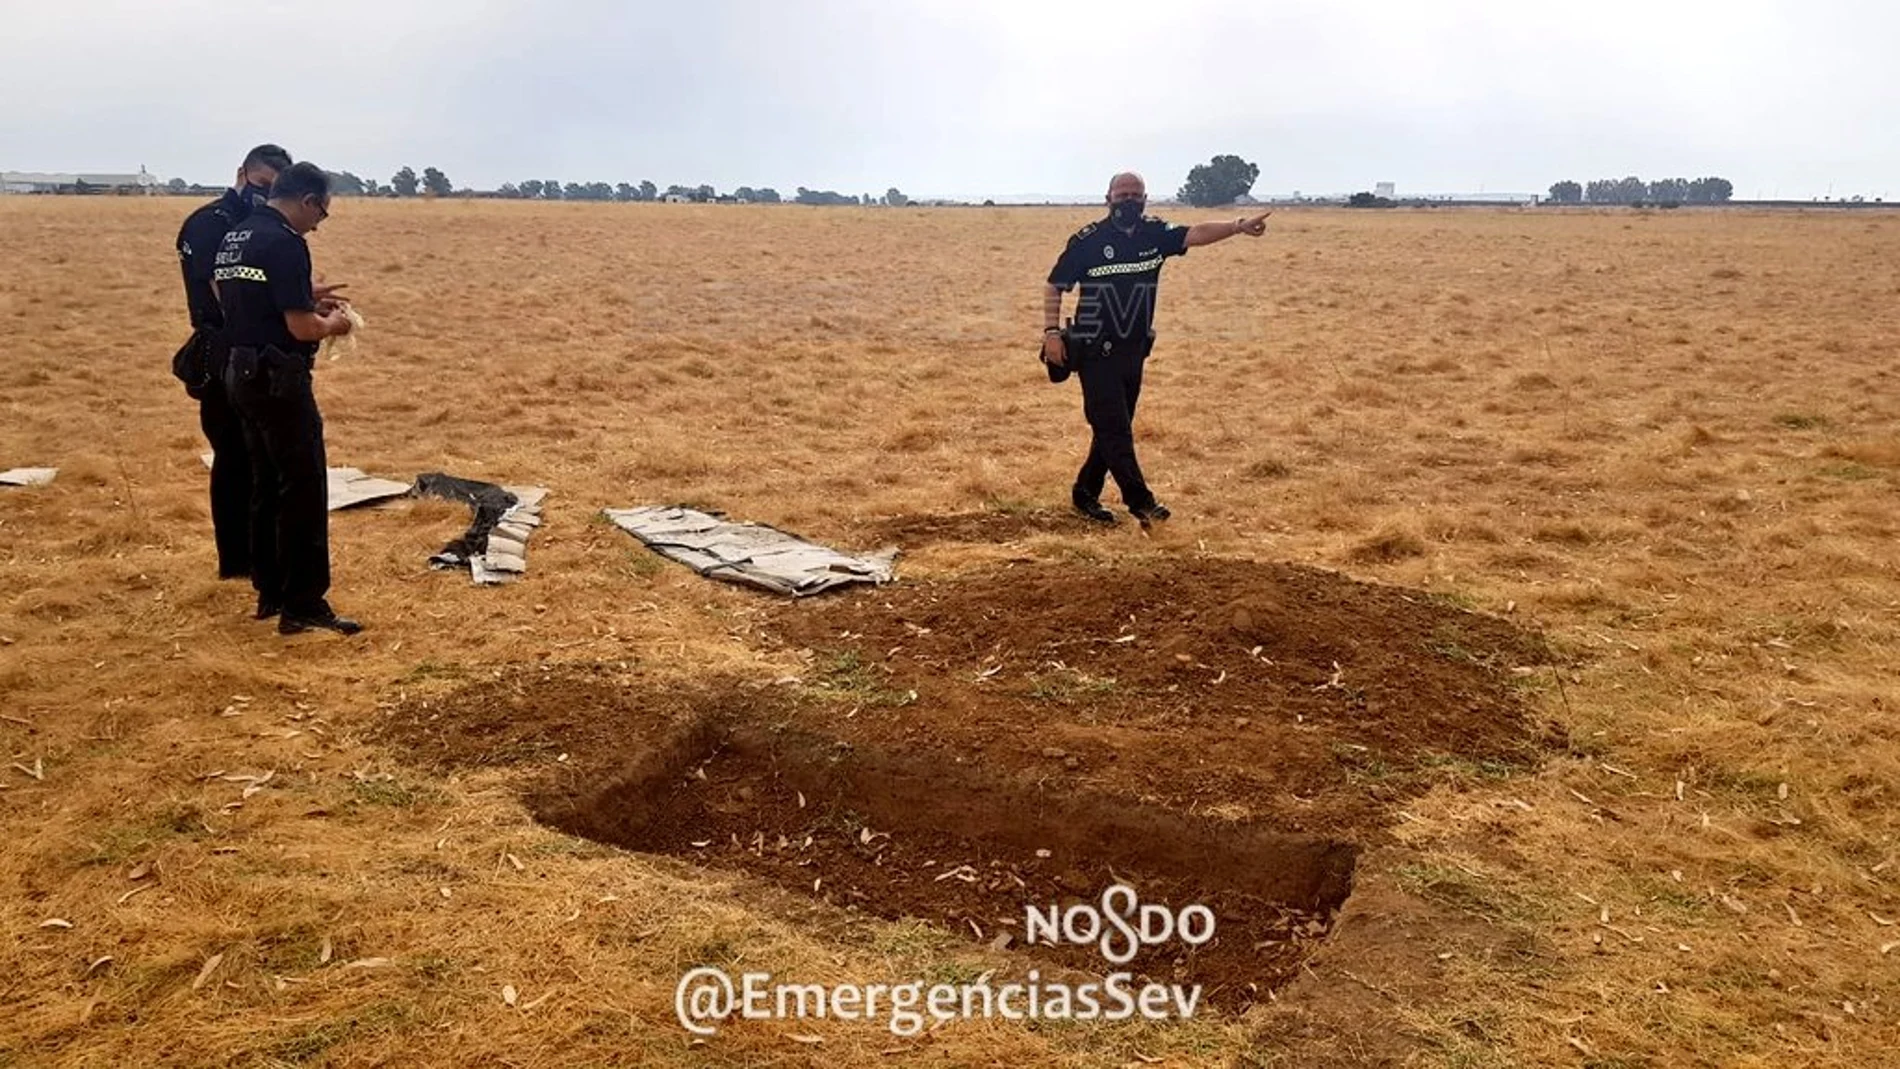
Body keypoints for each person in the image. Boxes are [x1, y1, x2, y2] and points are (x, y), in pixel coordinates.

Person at [1042, 172, 1270, 526]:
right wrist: (1051, 333)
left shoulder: (1155, 234)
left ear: (1145, 199)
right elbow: (1055, 285)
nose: (1128, 200)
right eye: (1122, 194)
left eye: (1135, 195)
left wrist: (1237, 225)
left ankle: (1085, 492)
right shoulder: (1088, 241)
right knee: (1116, 430)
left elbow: (1195, 233)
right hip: (1095, 350)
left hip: (1133, 351)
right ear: (1108, 198)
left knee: (1113, 427)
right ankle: (1143, 504)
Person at [215, 162, 361, 635]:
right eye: (322, 211)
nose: (320, 223)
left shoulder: (235, 236)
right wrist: (334, 325)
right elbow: (301, 327)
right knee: (301, 486)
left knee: (264, 482)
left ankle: (271, 592)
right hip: (279, 377)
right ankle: (304, 604)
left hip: (240, 370)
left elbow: (232, 297)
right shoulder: (285, 242)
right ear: (306, 200)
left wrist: (301, 298)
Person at [173, 144, 293, 579]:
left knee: (261, 456)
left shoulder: (259, 224)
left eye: (273, 190)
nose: (264, 196)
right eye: (260, 186)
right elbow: (227, 296)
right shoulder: (209, 225)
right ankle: (236, 561)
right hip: (222, 349)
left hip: (257, 350)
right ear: (241, 174)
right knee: (233, 456)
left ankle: (261, 556)